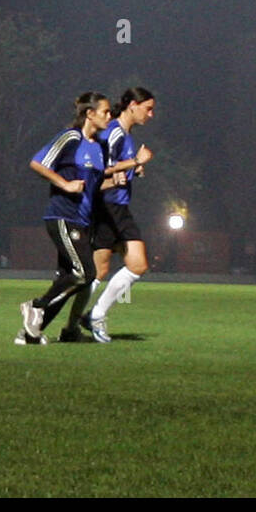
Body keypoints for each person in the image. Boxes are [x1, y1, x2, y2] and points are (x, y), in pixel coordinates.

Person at [15, 92, 143, 345]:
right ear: (89, 114)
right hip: (62, 215)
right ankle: (35, 306)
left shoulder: (98, 147)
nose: (110, 115)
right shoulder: (70, 138)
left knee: (74, 279)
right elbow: (38, 164)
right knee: (85, 272)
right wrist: (64, 183)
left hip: (83, 220)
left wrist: (120, 177)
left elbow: (93, 186)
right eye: (105, 112)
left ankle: (32, 333)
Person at [82, 87, 155, 343]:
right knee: (138, 265)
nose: (151, 114)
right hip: (110, 207)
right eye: (148, 108)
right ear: (132, 105)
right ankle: (94, 315)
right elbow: (100, 172)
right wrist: (136, 162)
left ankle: (68, 316)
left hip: (113, 207)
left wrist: (135, 170)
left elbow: (117, 172)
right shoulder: (114, 132)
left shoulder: (126, 135)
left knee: (97, 272)